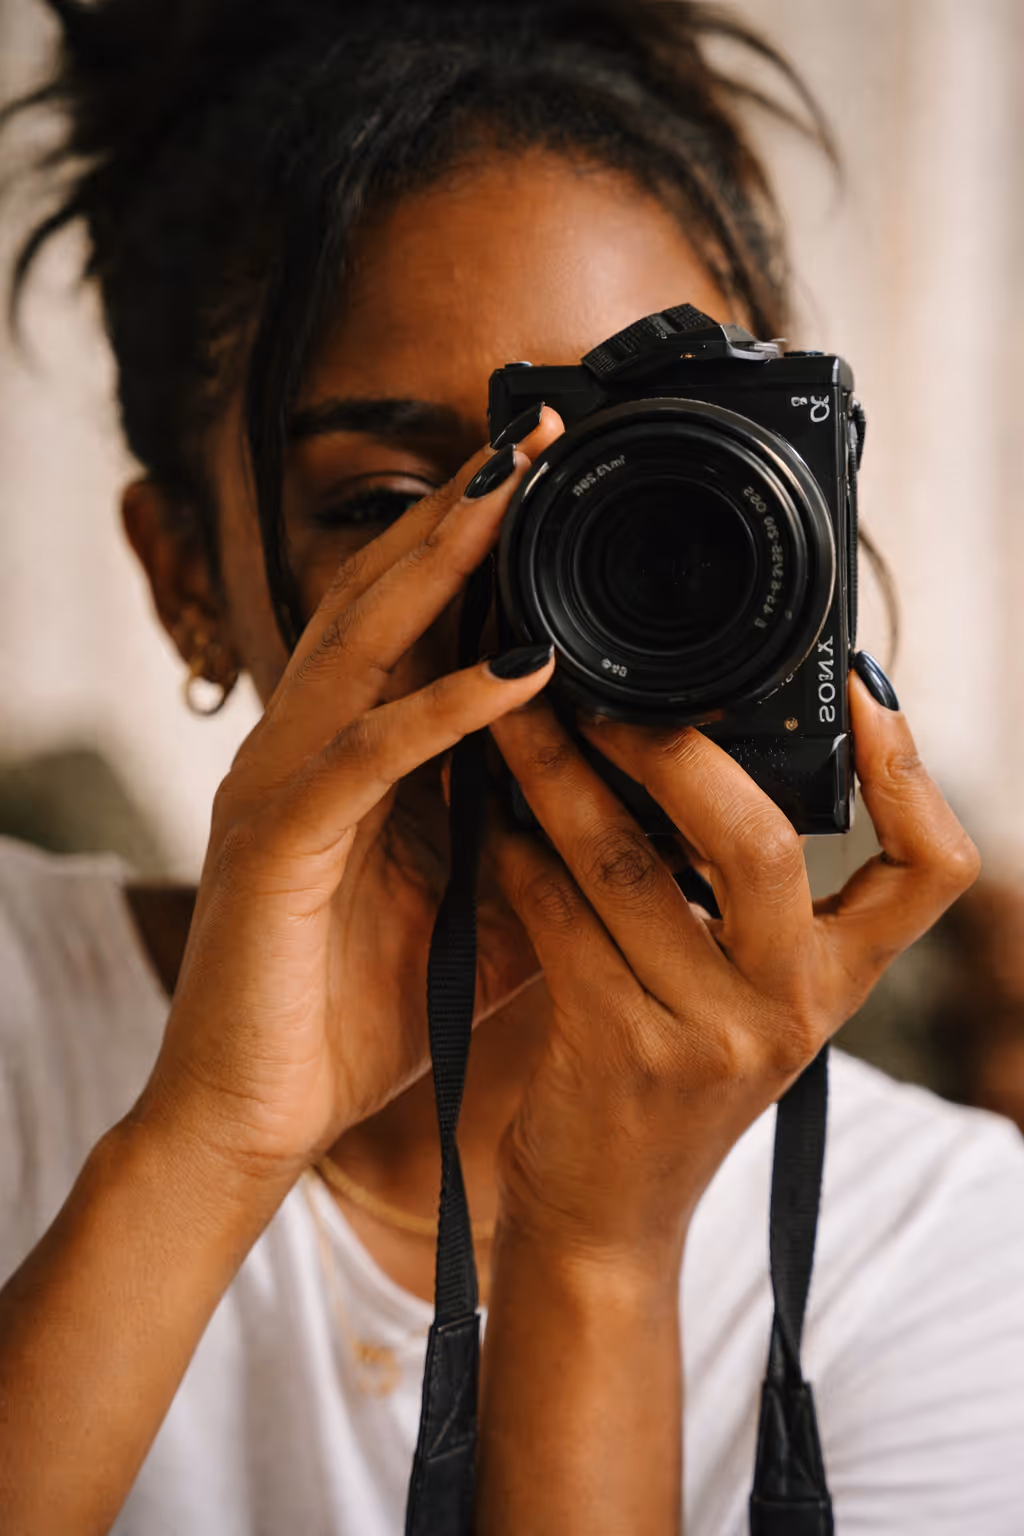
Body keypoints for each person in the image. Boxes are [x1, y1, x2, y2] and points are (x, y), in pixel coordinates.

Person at [1, 2, 1023, 1532]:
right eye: (402, 496)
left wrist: (598, 1250)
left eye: (641, 485)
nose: (547, 586)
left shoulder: (943, 1247)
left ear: (800, 491)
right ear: (183, 580)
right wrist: (207, 1139)